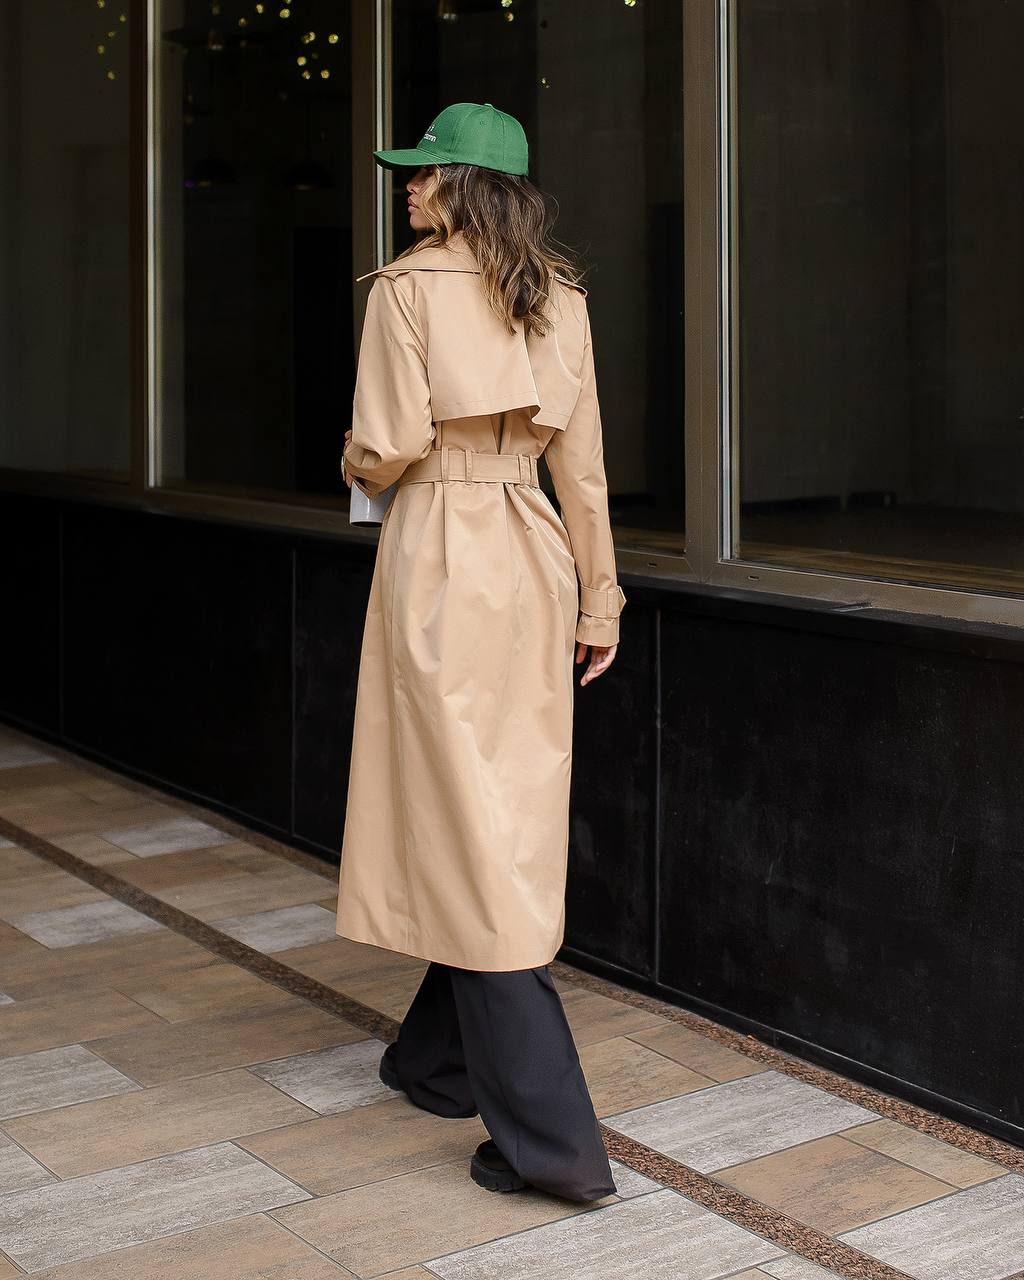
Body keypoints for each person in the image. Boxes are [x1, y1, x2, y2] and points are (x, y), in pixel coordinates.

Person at [336, 102, 626, 1203]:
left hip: (444, 553)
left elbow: (391, 442)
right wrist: (598, 602)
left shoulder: (406, 291)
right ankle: (436, 1057)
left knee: (462, 808)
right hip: (534, 552)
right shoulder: (565, 298)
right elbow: (585, 470)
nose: (404, 187)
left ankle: (554, 1146)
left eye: (419, 173)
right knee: (493, 801)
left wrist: (357, 456)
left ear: (458, 184)